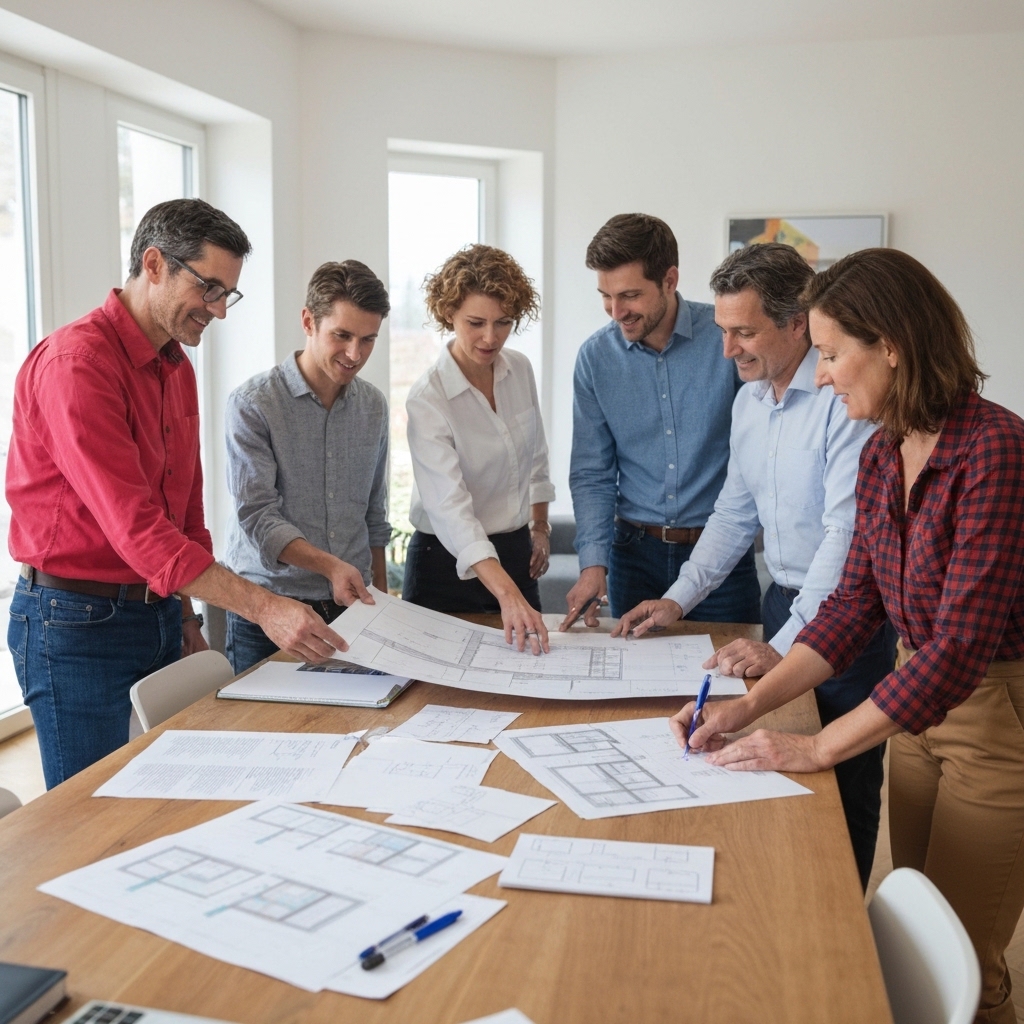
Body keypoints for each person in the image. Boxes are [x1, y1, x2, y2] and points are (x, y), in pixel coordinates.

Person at [675, 248, 1024, 1024]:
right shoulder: (881, 451)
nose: (823, 376)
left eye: (832, 355)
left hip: (995, 719)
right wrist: (750, 706)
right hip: (914, 710)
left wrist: (818, 748)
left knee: (967, 965)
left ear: (891, 347)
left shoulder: (996, 449)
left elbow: (961, 648)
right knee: (916, 925)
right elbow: (853, 607)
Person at [6, 199, 346, 789]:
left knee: (168, 793)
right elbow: (138, 528)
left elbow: (184, 507)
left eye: (227, 294)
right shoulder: (77, 365)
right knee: (89, 812)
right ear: (155, 263)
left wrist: (185, 613)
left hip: (157, 609)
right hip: (74, 623)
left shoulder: (175, 366)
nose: (218, 311)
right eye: (209, 288)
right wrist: (262, 606)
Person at [614, 242, 895, 887]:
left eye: (745, 332)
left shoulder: (843, 403)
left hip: (847, 616)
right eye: (722, 330)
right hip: (782, 604)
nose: (728, 349)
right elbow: (735, 517)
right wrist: (678, 598)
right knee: (775, 772)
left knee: (840, 783)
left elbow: (844, 537)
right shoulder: (748, 403)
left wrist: (789, 647)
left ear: (798, 322)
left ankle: (840, 911)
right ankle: (783, 899)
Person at [562, 213, 760, 629]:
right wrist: (592, 562)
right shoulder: (595, 359)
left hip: (720, 553)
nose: (616, 312)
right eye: (605, 296)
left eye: (630, 295)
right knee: (636, 688)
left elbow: (760, 453)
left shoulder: (728, 341)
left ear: (669, 280)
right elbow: (592, 472)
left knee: (730, 679)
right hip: (634, 557)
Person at [223, 261, 391, 673]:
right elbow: (259, 518)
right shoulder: (253, 404)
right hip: (269, 613)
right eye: (342, 336)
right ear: (308, 321)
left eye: (368, 340)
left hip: (353, 612)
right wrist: (331, 566)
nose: (355, 354)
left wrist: (383, 605)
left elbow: (374, 514)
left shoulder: (373, 406)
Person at [402, 244, 554, 655]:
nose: (491, 337)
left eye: (504, 322)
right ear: (448, 313)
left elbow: (536, 458)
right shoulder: (428, 398)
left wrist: (539, 527)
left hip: (514, 555)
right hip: (444, 566)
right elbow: (451, 511)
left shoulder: (519, 369)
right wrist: (506, 594)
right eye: (476, 322)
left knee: (531, 674)